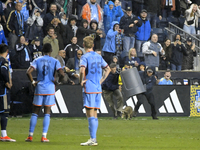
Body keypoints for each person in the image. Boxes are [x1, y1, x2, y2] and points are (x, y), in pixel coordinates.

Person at [25, 43, 65, 142]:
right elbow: (62, 73)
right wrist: (57, 82)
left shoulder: (37, 60)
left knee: (35, 112)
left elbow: (28, 72)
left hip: (40, 87)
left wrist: (33, 82)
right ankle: (44, 136)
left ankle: (30, 135)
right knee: (47, 112)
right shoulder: (55, 61)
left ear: (42, 51)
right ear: (51, 51)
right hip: (50, 88)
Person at [79, 36, 110, 146]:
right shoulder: (98, 56)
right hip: (98, 88)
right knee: (95, 113)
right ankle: (94, 138)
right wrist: (101, 80)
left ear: (83, 45)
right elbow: (108, 69)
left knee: (89, 113)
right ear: (92, 45)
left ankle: (92, 139)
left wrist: (81, 80)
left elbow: (82, 70)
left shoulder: (84, 57)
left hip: (89, 87)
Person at [0, 44, 16, 142]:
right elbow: (3, 71)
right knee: (4, 112)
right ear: (7, 52)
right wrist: (7, 82)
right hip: (2, 90)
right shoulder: (4, 61)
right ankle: (4, 135)